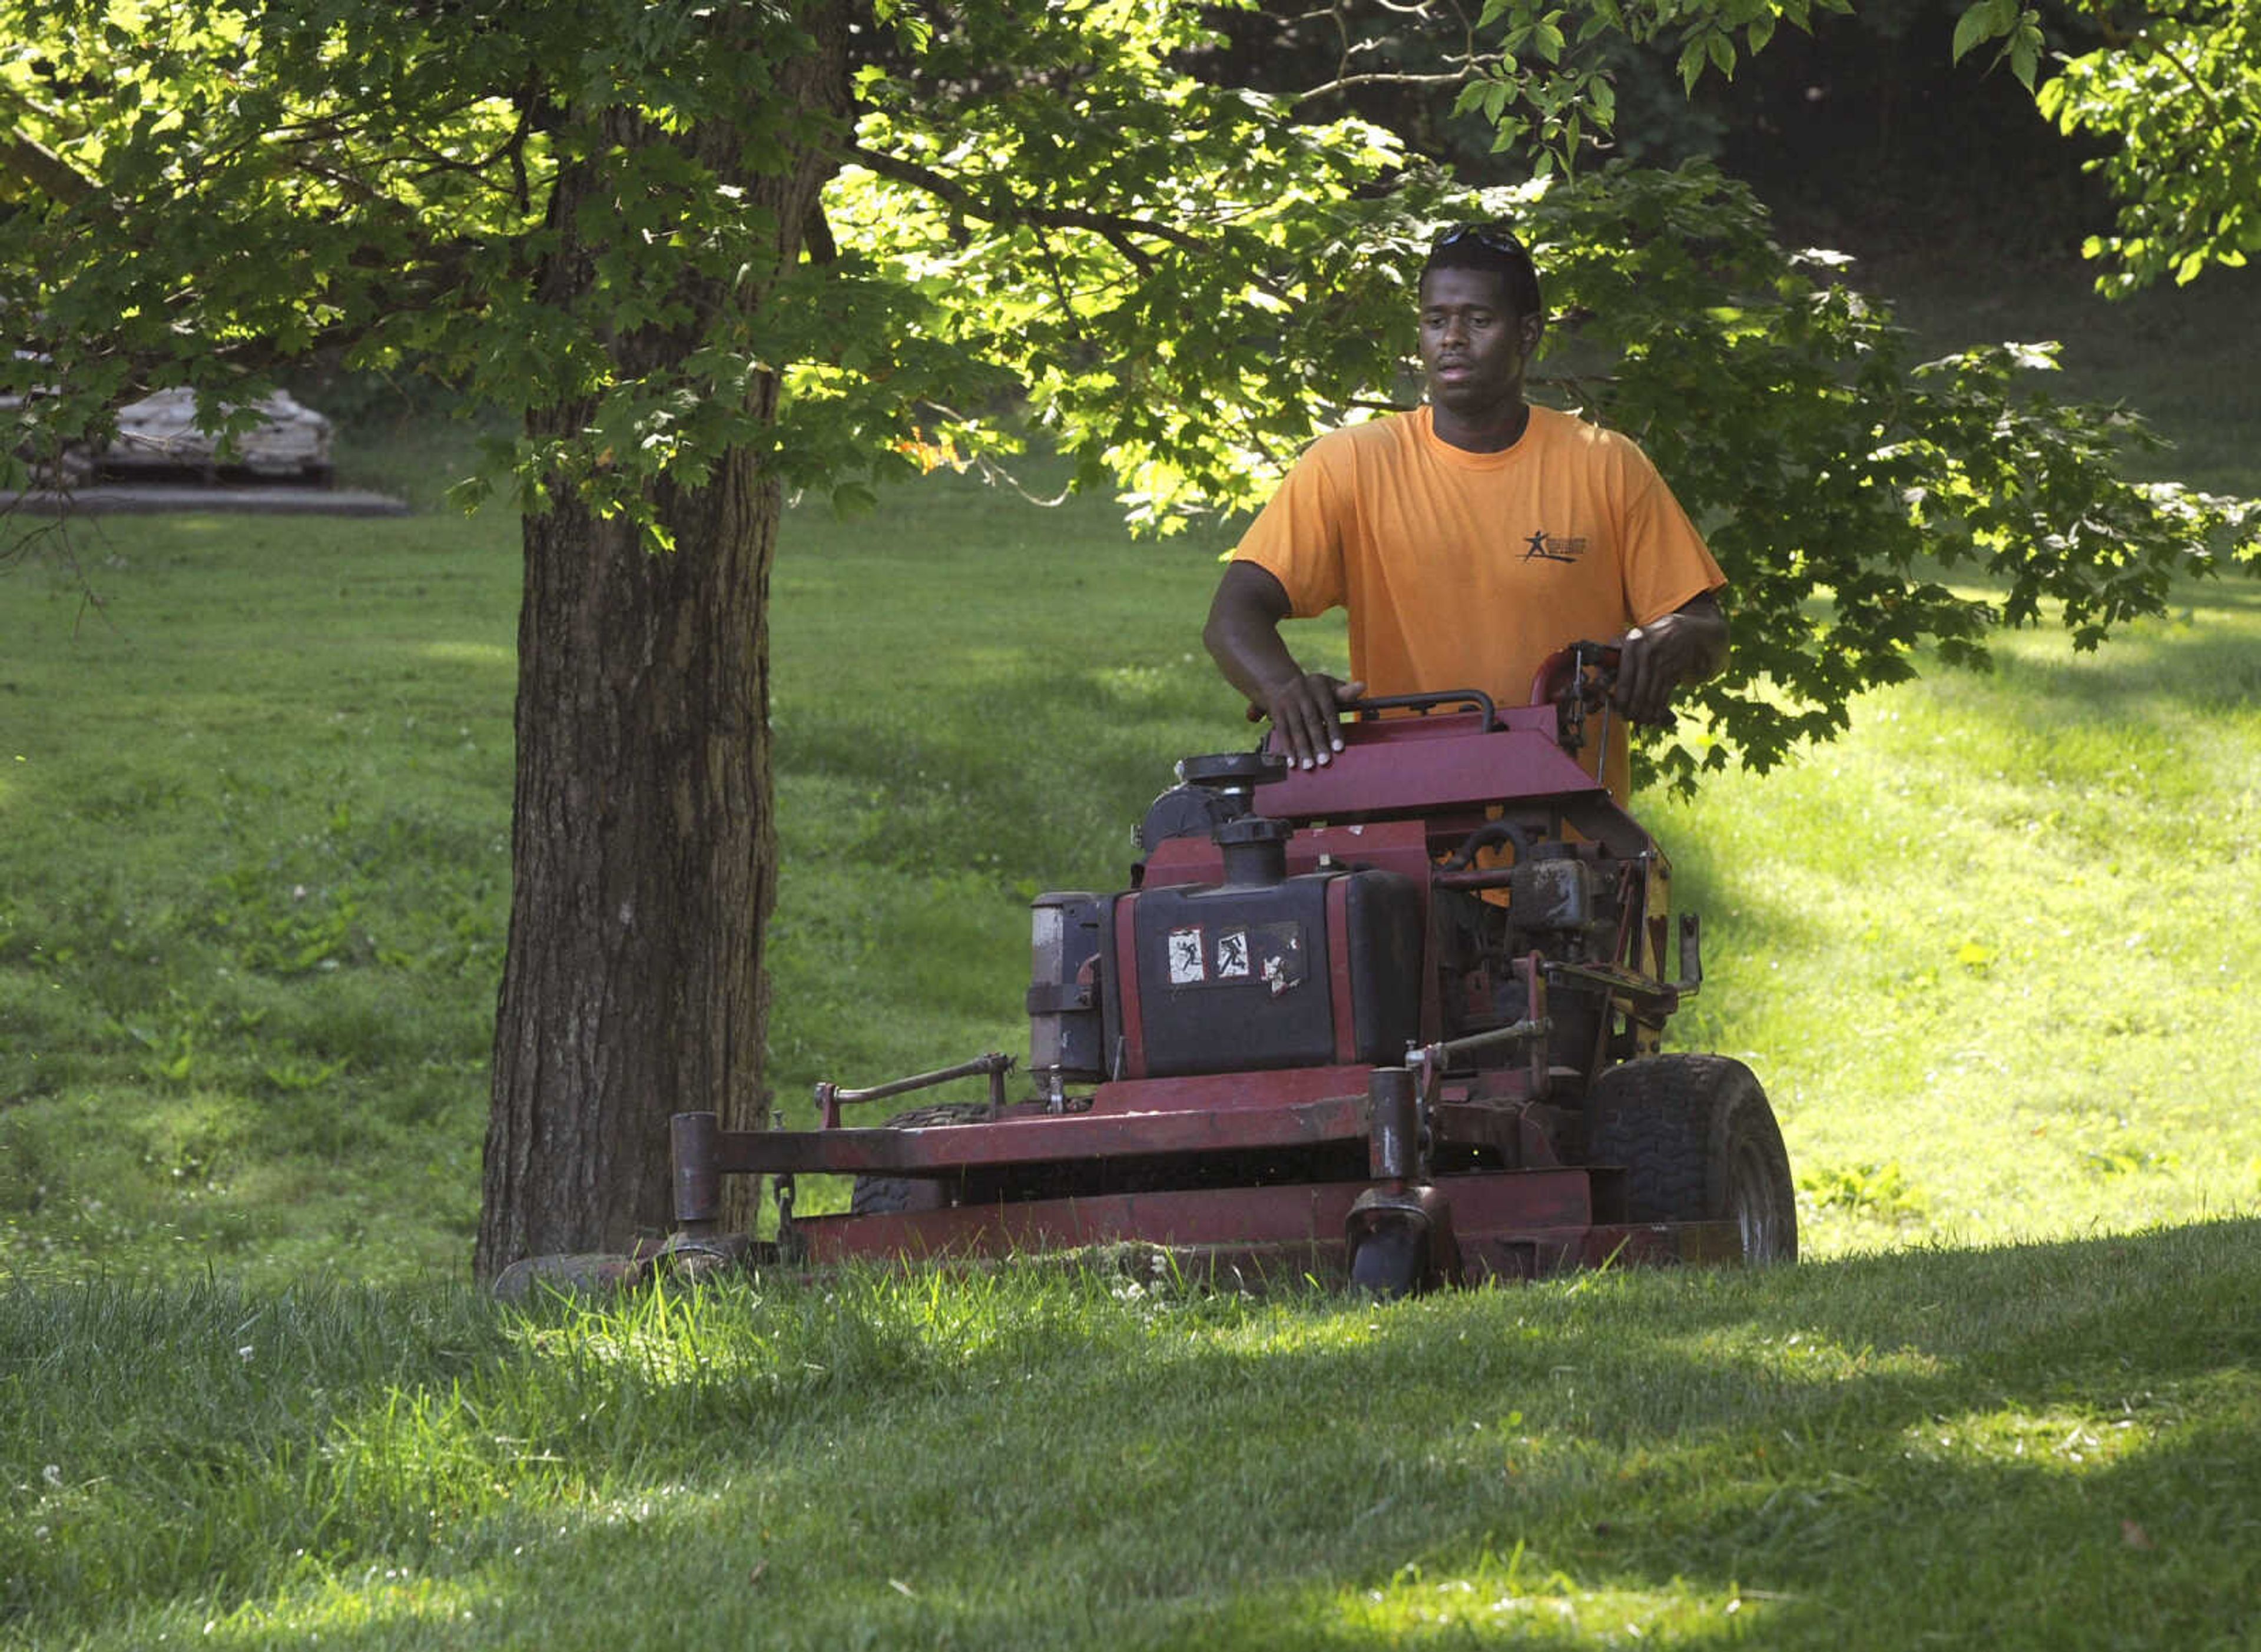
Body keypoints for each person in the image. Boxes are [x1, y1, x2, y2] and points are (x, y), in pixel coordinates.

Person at [1203, 222, 1729, 801]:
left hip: (1572, 834)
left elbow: (1708, 632)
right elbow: (1233, 615)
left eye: (1478, 321)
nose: (1452, 338)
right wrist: (1285, 690)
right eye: (1435, 320)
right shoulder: (1351, 463)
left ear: (1527, 334)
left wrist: (1674, 641)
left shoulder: (1605, 464)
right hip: (1406, 825)